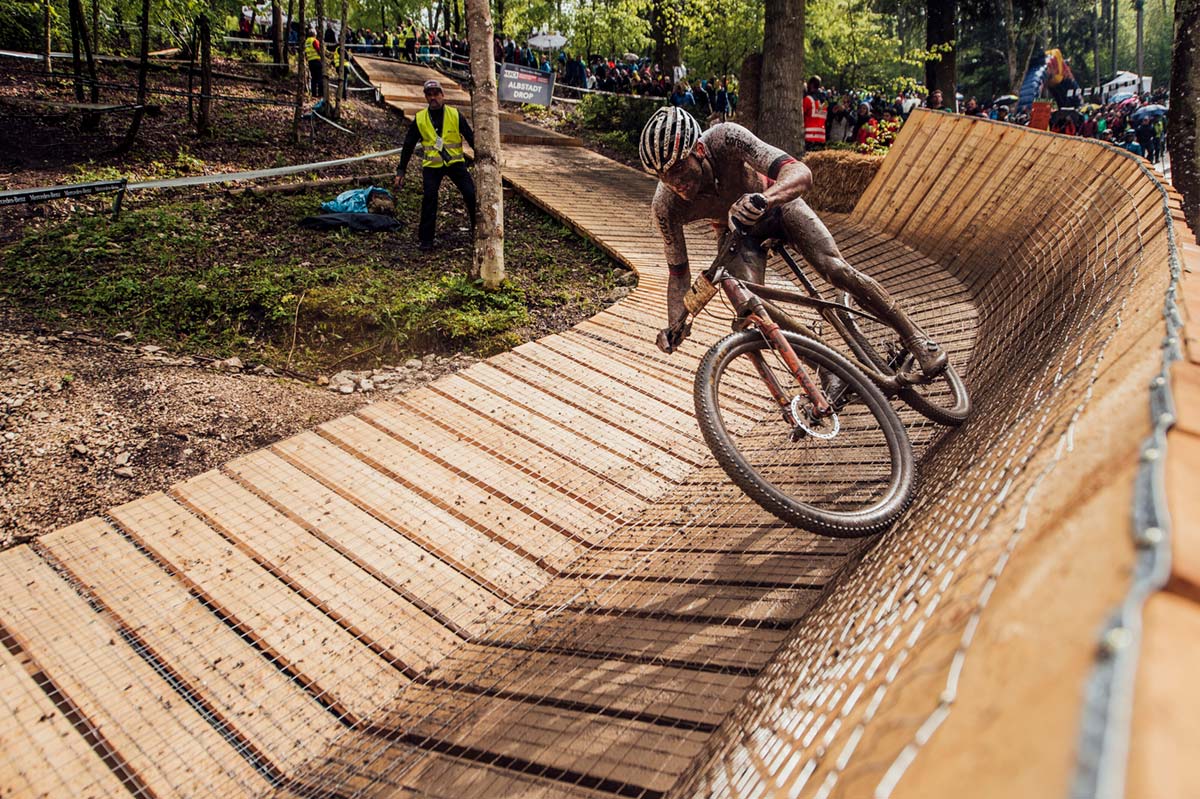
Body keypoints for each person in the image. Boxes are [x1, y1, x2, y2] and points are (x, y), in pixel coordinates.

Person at [638, 106, 947, 377]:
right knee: (752, 310)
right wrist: (674, 324)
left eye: (678, 168)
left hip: (776, 205)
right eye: (663, 176)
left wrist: (766, 198)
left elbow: (799, 172)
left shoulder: (726, 139)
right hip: (737, 234)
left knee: (834, 269)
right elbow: (678, 274)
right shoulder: (665, 206)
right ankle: (827, 371)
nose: (673, 181)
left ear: (699, 151)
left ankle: (917, 338)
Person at [394, 80, 477, 251]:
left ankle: (478, 231)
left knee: (470, 193)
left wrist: (483, 158)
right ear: (426, 96)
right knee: (429, 198)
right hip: (432, 166)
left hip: (455, 163)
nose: (433, 98)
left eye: (436, 94)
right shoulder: (420, 118)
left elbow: (471, 137)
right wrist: (401, 170)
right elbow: (408, 145)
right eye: (429, 94)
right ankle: (426, 240)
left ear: (442, 95)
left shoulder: (455, 115)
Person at [803, 76, 828, 150]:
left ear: (811, 85)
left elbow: (801, 114)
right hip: (821, 137)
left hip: (809, 137)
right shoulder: (825, 102)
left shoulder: (808, 99)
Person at [304, 28, 324, 97]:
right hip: (317, 60)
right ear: (314, 34)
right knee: (320, 78)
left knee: (313, 78)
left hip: (310, 61)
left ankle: (314, 93)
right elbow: (318, 49)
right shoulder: (315, 41)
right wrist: (323, 57)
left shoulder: (306, 41)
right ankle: (321, 93)